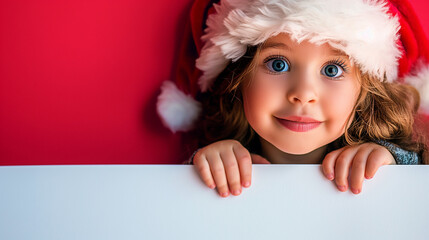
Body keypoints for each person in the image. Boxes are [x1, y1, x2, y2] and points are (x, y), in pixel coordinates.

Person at [157, 0, 429, 197]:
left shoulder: (387, 165)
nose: (303, 94)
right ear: (238, 79)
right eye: (278, 64)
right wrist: (203, 170)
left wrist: (397, 164)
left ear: (365, 92)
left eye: (332, 70)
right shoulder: (217, 165)